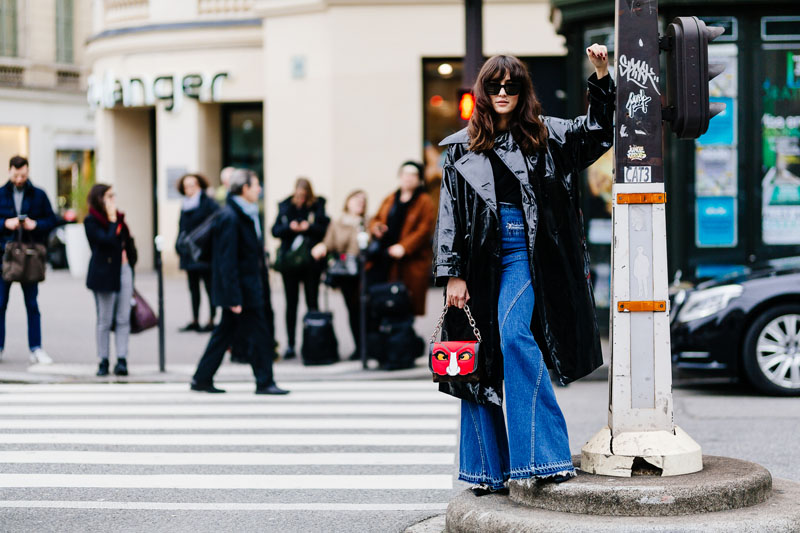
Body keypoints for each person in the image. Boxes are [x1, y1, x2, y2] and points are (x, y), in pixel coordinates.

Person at [433, 46, 614, 494]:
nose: (502, 93)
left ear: (522, 92)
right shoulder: (459, 150)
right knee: (477, 363)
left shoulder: (547, 135)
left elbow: (598, 132)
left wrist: (602, 75)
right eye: (494, 86)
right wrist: (452, 273)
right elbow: (449, 215)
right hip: (477, 263)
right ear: (483, 92)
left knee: (515, 336)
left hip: (528, 254)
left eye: (511, 87)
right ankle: (487, 472)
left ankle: (544, 458)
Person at [191, 169, 288, 395]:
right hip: (243, 290)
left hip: (247, 287)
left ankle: (202, 378)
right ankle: (265, 381)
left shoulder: (244, 213)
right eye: (255, 185)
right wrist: (233, 297)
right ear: (244, 189)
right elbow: (227, 261)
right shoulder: (232, 216)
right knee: (259, 333)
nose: (259, 189)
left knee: (225, 332)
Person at [0, 156, 60, 364]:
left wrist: (35, 225)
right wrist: (5, 223)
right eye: (16, 175)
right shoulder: (1, 194)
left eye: (23, 175)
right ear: (9, 171)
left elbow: (53, 219)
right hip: (5, 256)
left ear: (28, 172)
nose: (19, 179)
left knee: (32, 304)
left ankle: (36, 348)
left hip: (31, 255)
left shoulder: (39, 195)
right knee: (0, 304)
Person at [271, 178, 329, 359]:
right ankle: (291, 344)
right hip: (291, 263)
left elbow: (324, 228)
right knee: (291, 304)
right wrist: (290, 227)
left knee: (312, 302)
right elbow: (274, 230)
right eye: (299, 196)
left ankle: (313, 340)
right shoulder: (286, 206)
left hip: (311, 262)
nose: (301, 199)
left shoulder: (318, 205)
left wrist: (308, 227)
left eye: (304, 196)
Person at [368, 161, 436, 316]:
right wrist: (376, 227)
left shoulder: (424, 201)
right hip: (386, 258)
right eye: (405, 173)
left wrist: (404, 247)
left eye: (413, 174)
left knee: (405, 304)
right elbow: (376, 219)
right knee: (385, 302)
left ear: (419, 179)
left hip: (409, 261)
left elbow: (424, 230)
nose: (408, 178)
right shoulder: (391, 197)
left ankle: (403, 337)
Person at [84, 184, 138, 377]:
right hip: (103, 273)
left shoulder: (120, 219)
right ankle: (103, 359)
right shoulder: (91, 221)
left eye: (113, 196)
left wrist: (130, 261)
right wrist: (113, 220)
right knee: (104, 320)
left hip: (123, 270)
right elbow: (105, 241)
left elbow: (128, 243)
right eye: (109, 196)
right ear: (99, 198)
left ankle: (122, 359)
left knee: (123, 318)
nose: (113, 200)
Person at [311, 190, 367, 361]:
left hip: (363, 272)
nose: (360, 203)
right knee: (352, 310)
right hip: (345, 273)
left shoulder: (367, 222)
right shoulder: (338, 223)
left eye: (363, 201)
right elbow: (329, 242)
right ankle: (359, 347)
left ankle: (366, 347)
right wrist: (321, 247)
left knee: (363, 310)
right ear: (347, 201)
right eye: (356, 199)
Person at [176, 173, 219, 332]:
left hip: (204, 252)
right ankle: (195, 319)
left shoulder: (208, 203)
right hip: (188, 252)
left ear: (199, 185)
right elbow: (181, 227)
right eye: (186, 186)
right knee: (193, 287)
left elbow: (215, 223)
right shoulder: (185, 204)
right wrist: (178, 245)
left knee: (209, 286)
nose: (189, 189)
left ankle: (211, 319)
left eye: (192, 185)